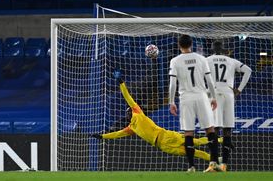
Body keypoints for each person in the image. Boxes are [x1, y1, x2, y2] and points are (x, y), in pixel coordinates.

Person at [92, 70, 222, 163]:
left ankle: (221, 140)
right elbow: (117, 134)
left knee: (197, 142)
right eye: (127, 112)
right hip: (162, 146)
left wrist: (121, 83)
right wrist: (102, 136)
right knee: (192, 152)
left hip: (165, 135)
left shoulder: (137, 112)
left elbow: (127, 96)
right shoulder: (131, 128)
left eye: (128, 111)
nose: (128, 112)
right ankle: (215, 159)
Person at [168, 34, 221, 173]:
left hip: (186, 98)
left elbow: (172, 83)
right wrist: (213, 97)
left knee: (188, 132)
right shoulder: (201, 59)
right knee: (210, 129)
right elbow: (209, 81)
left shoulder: (175, 61)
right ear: (191, 44)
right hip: (202, 96)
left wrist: (171, 101)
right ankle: (214, 163)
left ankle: (191, 167)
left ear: (179, 45)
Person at [207, 41, 252, 171]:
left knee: (214, 129)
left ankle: (212, 164)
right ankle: (224, 165)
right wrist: (239, 89)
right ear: (223, 50)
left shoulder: (207, 60)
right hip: (228, 94)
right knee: (227, 129)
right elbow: (248, 70)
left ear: (212, 50)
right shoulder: (231, 61)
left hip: (215, 93)